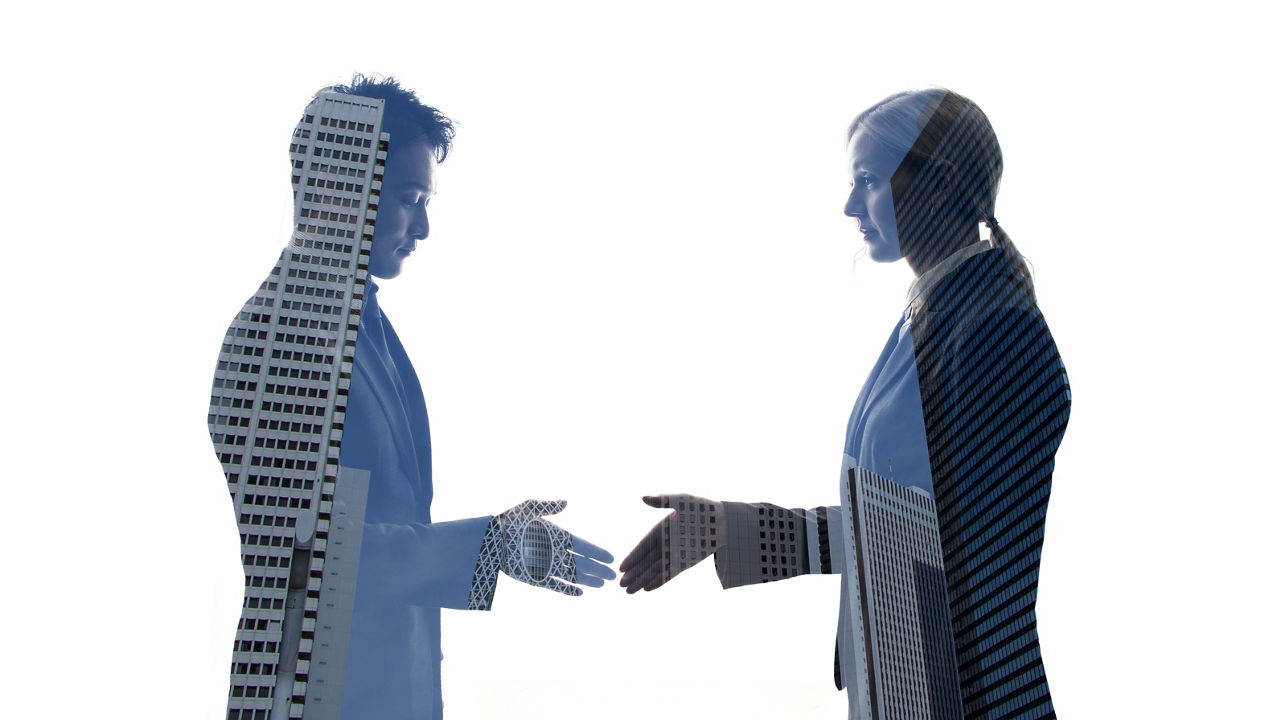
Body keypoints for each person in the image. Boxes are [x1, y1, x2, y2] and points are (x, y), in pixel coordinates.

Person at [620, 89, 1070, 720]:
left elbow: (947, 540)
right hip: (914, 687)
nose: (850, 206)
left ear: (938, 184)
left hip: (963, 697)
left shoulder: (994, 326)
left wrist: (740, 530)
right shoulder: (940, 315)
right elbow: (902, 518)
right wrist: (731, 528)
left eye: (867, 180)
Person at [209, 74, 614, 720]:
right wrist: (489, 547)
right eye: (409, 197)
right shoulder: (279, 334)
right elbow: (306, 559)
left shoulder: (358, 326)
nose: (423, 226)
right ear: (339, 189)